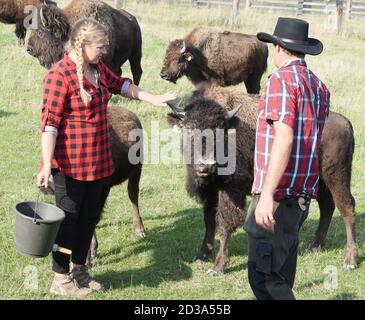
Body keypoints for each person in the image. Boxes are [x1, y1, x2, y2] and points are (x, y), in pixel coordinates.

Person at [36, 18, 176, 297]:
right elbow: (49, 125)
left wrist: (154, 98)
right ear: (83, 44)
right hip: (70, 166)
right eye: (100, 47)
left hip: (98, 163)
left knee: (89, 219)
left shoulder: (98, 69)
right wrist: (46, 165)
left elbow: (124, 86)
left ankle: (80, 272)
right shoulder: (59, 75)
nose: (104, 52)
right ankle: (60, 278)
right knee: (68, 223)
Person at [243, 17, 330, 300]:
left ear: (279, 48)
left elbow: (284, 137)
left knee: (265, 279)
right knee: (280, 274)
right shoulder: (319, 87)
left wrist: (267, 194)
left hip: (277, 197)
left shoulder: (280, 81)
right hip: (301, 197)